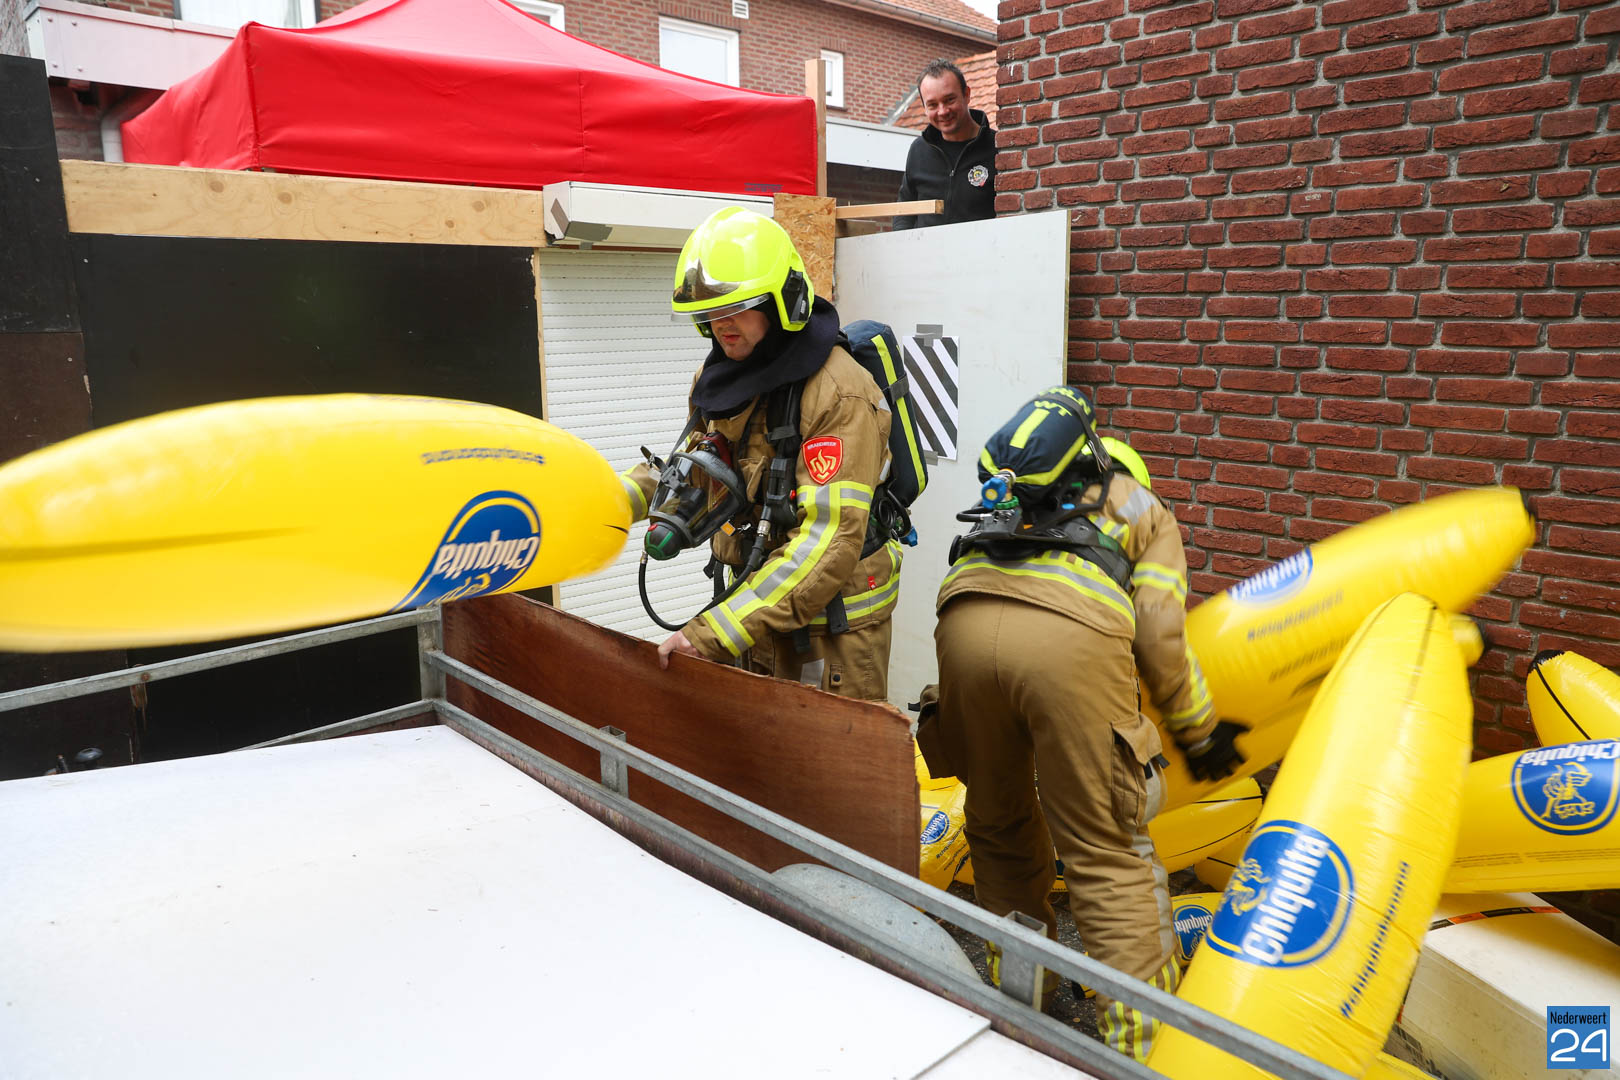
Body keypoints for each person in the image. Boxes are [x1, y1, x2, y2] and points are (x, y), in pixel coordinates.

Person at [921, 386, 1244, 1062]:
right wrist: (1198, 730)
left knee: (999, 827)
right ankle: (1145, 1051)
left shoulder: (1012, 497)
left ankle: (1022, 999)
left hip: (963, 624)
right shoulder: (1144, 509)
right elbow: (1160, 639)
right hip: (1068, 645)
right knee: (1107, 849)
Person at [621, 206, 901, 702]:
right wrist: (610, 498)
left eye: (738, 306)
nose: (721, 324)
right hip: (755, 608)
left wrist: (712, 635)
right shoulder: (721, 378)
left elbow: (826, 542)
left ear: (781, 301)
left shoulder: (838, 391)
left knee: (818, 753)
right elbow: (700, 470)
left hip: (829, 632)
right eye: (710, 310)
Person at [892, 59, 996, 231]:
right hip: (925, 249)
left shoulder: (997, 148)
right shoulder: (918, 150)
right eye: (933, 104)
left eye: (949, 100)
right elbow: (904, 211)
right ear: (924, 107)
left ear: (967, 95)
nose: (943, 111)